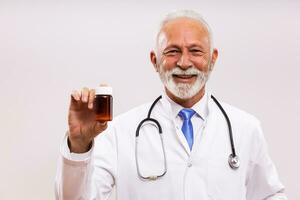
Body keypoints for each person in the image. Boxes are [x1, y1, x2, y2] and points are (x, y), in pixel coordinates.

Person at [55, 10, 287, 200]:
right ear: (155, 61)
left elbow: (269, 195)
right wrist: (79, 144)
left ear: (212, 59)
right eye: (172, 52)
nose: (184, 63)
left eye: (195, 51)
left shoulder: (245, 128)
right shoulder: (120, 131)